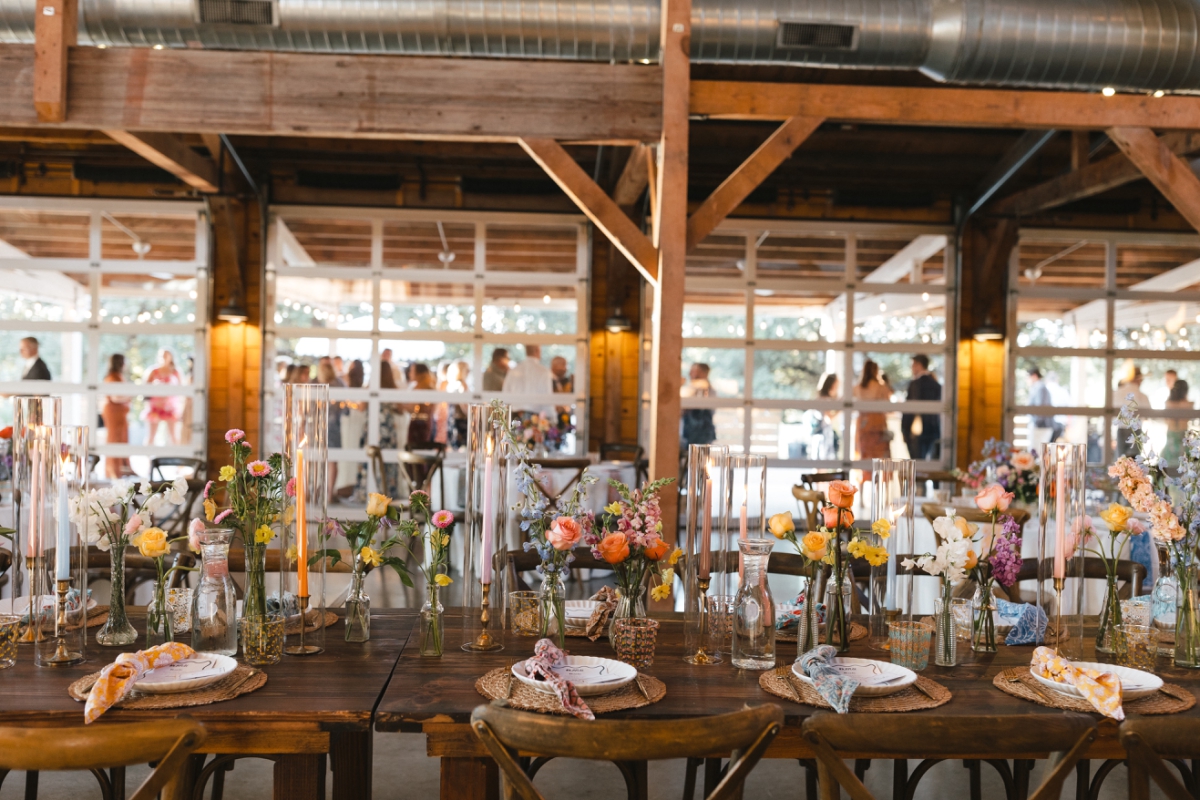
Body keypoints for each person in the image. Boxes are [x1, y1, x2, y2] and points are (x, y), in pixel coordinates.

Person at [337, 360, 367, 500]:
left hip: (353, 421)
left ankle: (349, 485)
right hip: (352, 421)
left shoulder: (357, 388)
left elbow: (360, 407)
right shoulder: (354, 386)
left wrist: (350, 403)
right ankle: (347, 485)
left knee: (351, 448)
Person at [902, 355, 942, 460]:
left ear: (919, 365)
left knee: (917, 463)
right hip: (933, 430)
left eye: (913, 365)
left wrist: (904, 429)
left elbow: (908, 409)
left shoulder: (915, 384)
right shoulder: (936, 384)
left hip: (916, 431)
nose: (912, 368)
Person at [502, 344, 555, 417]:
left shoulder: (513, 370)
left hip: (514, 415)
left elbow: (505, 394)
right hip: (534, 417)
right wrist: (552, 419)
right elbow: (547, 399)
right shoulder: (543, 371)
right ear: (537, 350)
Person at [854, 360, 892, 461]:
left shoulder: (857, 387)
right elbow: (888, 407)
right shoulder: (881, 386)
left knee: (865, 456)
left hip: (863, 424)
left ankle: (866, 477)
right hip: (878, 423)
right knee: (880, 458)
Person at [102, 354, 132, 478]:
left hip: (120, 414)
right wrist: (130, 395)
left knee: (122, 439)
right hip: (114, 413)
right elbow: (115, 397)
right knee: (114, 439)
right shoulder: (113, 377)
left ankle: (122, 468)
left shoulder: (117, 376)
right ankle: (114, 471)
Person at [143, 348, 182, 445]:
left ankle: (176, 458)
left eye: (166, 355)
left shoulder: (175, 372)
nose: (164, 357)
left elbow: (182, 389)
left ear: (171, 357)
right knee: (151, 436)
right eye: (162, 355)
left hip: (171, 408)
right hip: (155, 407)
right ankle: (148, 458)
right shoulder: (153, 371)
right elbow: (145, 390)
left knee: (173, 436)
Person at [1115, 363, 1151, 457]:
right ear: (1139, 379)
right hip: (1136, 431)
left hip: (1121, 430)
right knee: (1134, 463)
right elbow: (1147, 415)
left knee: (1121, 462)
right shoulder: (1142, 396)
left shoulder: (1116, 393)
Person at [680, 363, 717, 450]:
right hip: (691, 431)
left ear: (704, 373)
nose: (690, 374)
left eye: (694, 371)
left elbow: (683, 406)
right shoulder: (694, 387)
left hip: (700, 432)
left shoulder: (702, 386)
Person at [1026, 367, 1061, 447]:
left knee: (1037, 452)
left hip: (1041, 427)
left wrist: (1036, 423)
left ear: (1034, 376)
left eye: (1027, 378)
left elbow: (1041, 409)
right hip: (1039, 426)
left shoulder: (1041, 388)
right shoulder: (1036, 388)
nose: (1027, 380)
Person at [808, 373, 840, 459]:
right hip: (823, 436)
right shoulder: (825, 400)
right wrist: (840, 410)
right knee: (821, 464)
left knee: (819, 463)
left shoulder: (819, 398)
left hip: (819, 435)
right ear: (832, 385)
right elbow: (828, 418)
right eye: (836, 386)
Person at [406, 362, 437, 445]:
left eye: (412, 371)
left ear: (418, 373)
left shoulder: (422, 388)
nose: (409, 374)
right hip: (425, 423)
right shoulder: (427, 386)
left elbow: (412, 407)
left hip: (419, 424)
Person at [1163, 379, 1192, 464]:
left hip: (1171, 434)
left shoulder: (1168, 403)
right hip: (1183, 434)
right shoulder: (1189, 404)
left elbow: (1165, 420)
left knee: (1169, 462)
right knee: (1184, 462)